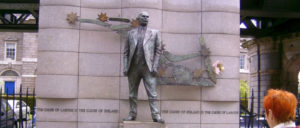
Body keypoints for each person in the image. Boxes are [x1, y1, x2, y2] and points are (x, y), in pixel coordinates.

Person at [123, 11, 164, 123]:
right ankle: (132, 114)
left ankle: (156, 116)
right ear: (138, 18)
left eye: (147, 17)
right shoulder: (130, 33)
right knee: (132, 94)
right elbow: (126, 52)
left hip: (148, 68)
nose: (146, 18)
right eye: (143, 16)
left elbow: (158, 51)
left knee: (152, 93)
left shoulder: (154, 33)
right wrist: (125, 67)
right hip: (133, 67)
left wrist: (155, 66)